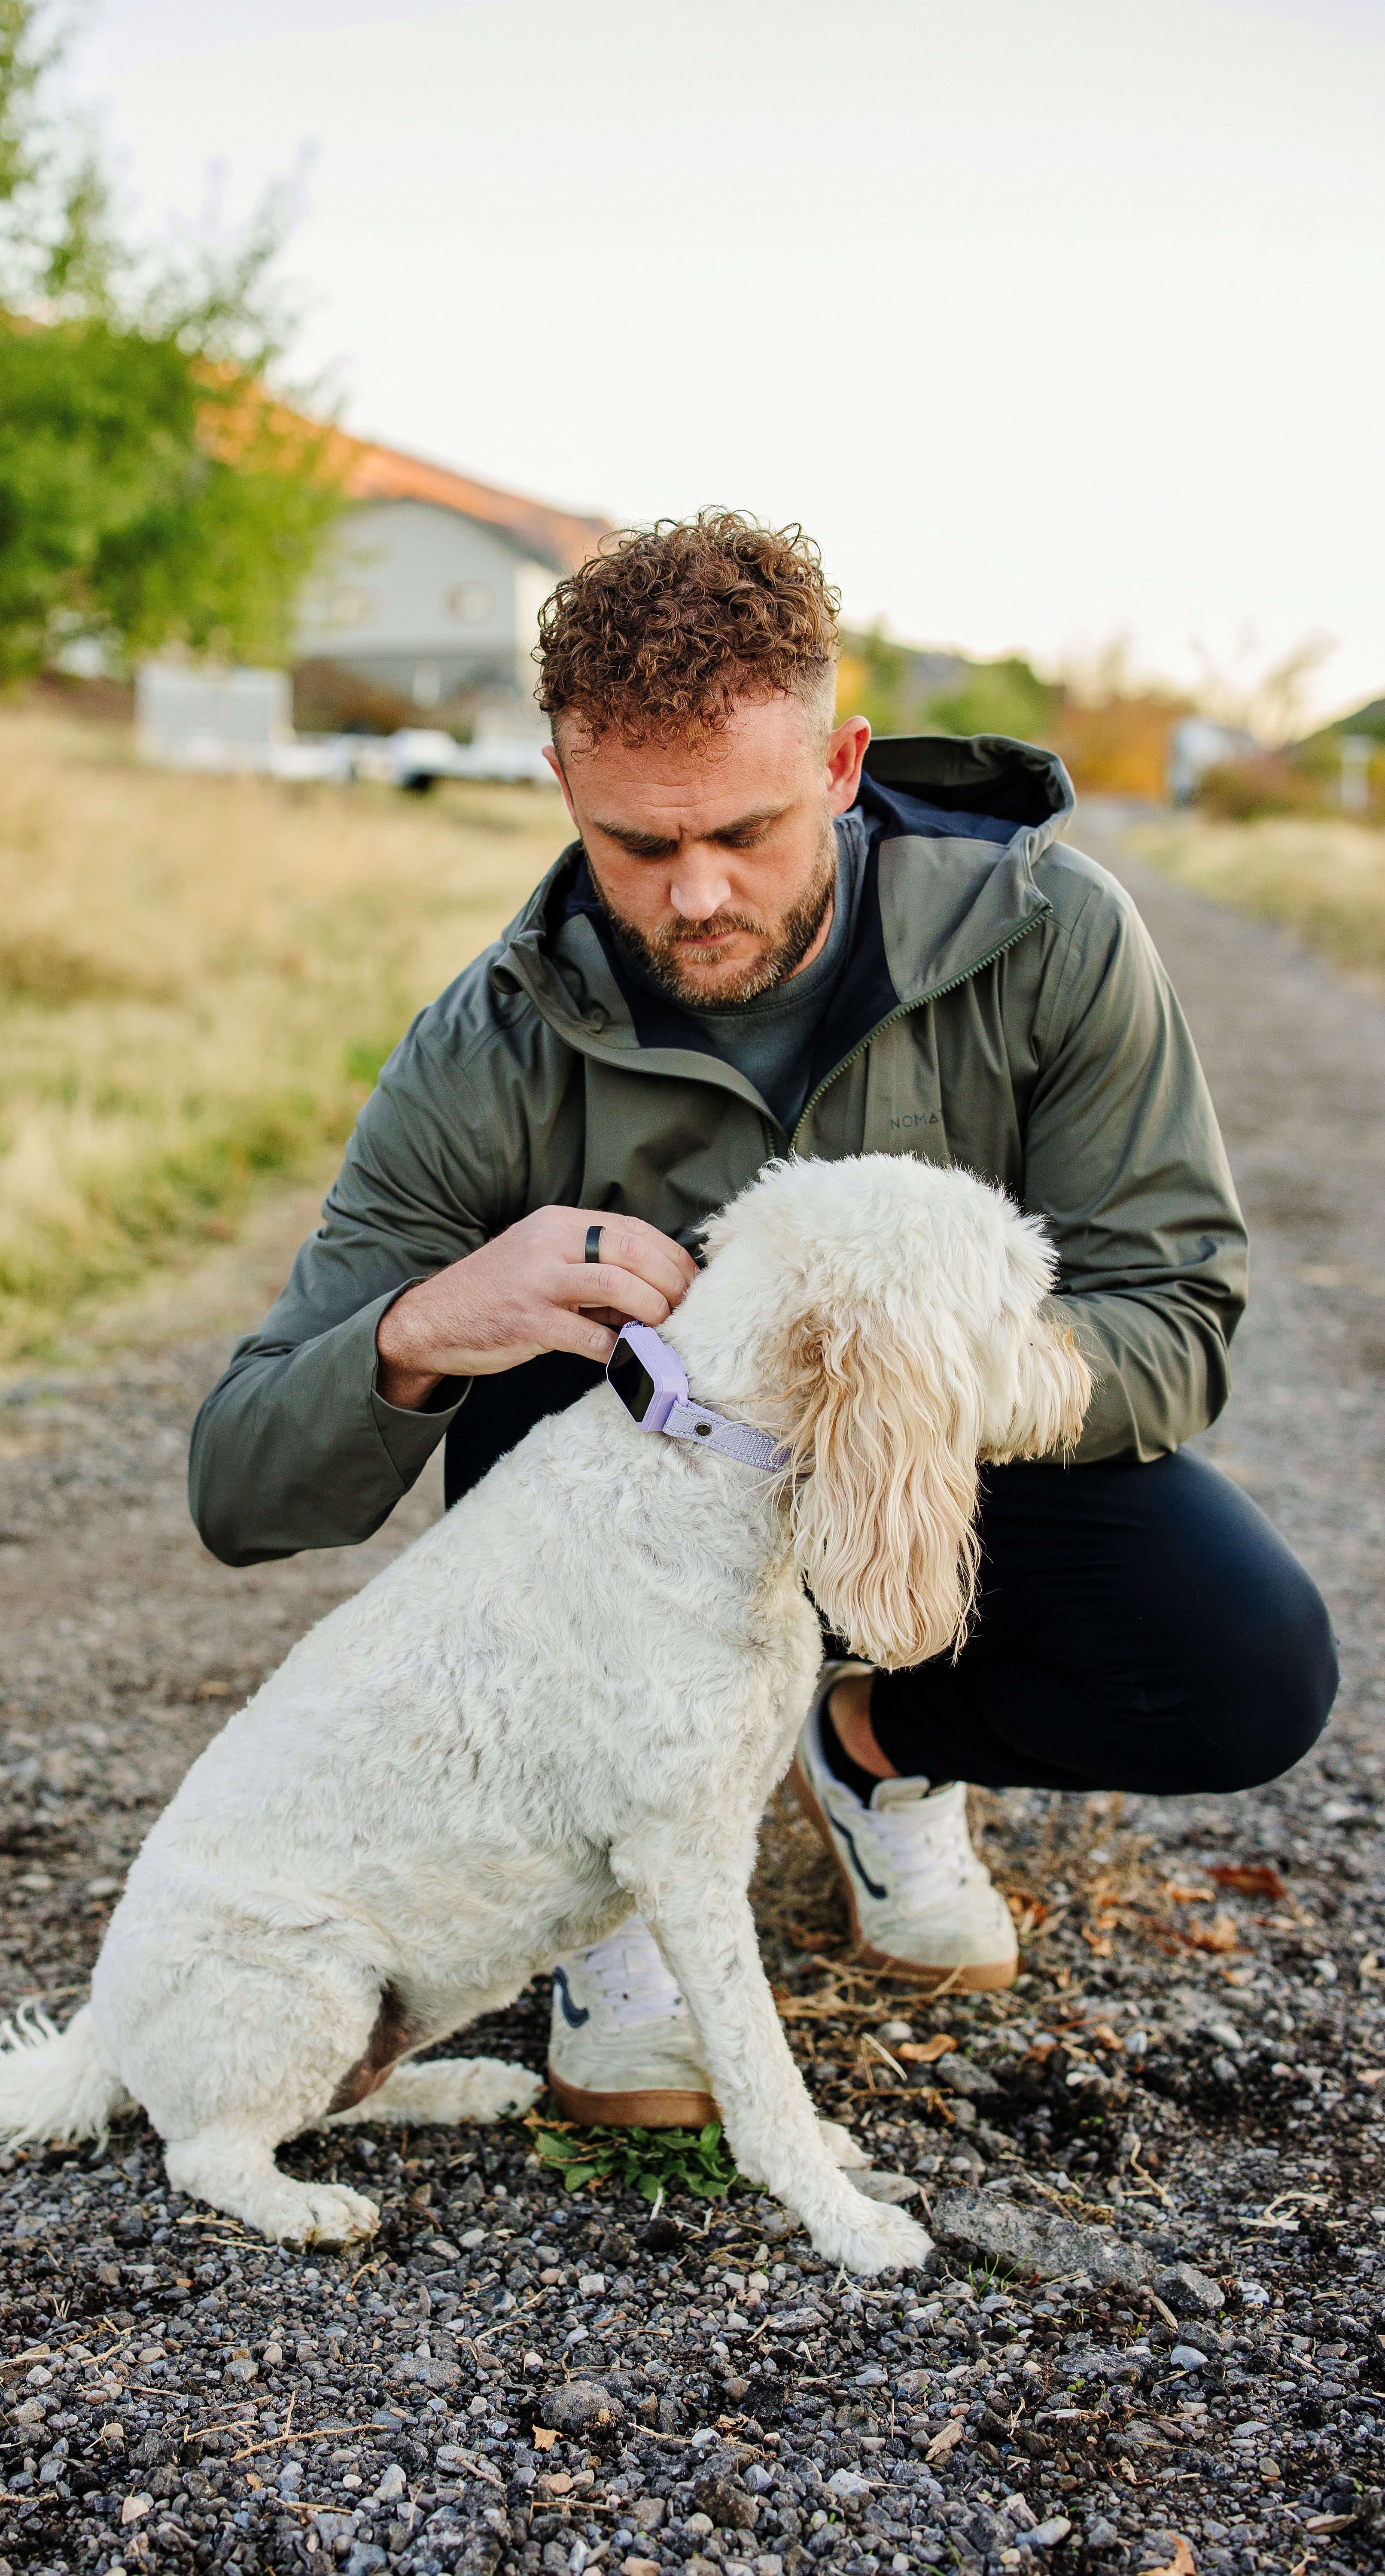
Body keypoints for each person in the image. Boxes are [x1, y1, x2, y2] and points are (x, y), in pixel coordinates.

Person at [189, 512, 1337, 2131]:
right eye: (637, 847)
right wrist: (427, 1326)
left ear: (845, 762)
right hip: (646, 1558)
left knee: (1248, 1669)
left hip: (950, 1482)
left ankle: (869, 1751)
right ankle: (616, 1890)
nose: (698, 896)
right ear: (563, 787)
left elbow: (1180, 1314)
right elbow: (238, 1486)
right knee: (543, 1364)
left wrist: (907, 1387)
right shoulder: (487, 1042)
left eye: (743, 830)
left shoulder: (1053, 935)